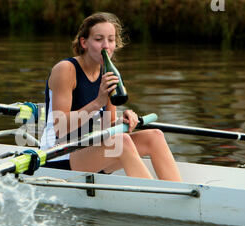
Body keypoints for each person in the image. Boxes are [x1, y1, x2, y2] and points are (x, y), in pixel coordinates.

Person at [40, 12, 181, 181]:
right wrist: (97, 102)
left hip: (90, 152)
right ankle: (155, 201)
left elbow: (108, 126)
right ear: (84, 42)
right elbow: (60, 127)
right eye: (99, 39)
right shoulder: (66, 70)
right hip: (57, 156)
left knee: (155, 136)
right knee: (122, 143)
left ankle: (179, 195)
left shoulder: (108, 74)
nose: (106, 45)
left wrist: (123, 121)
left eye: (111, 40)